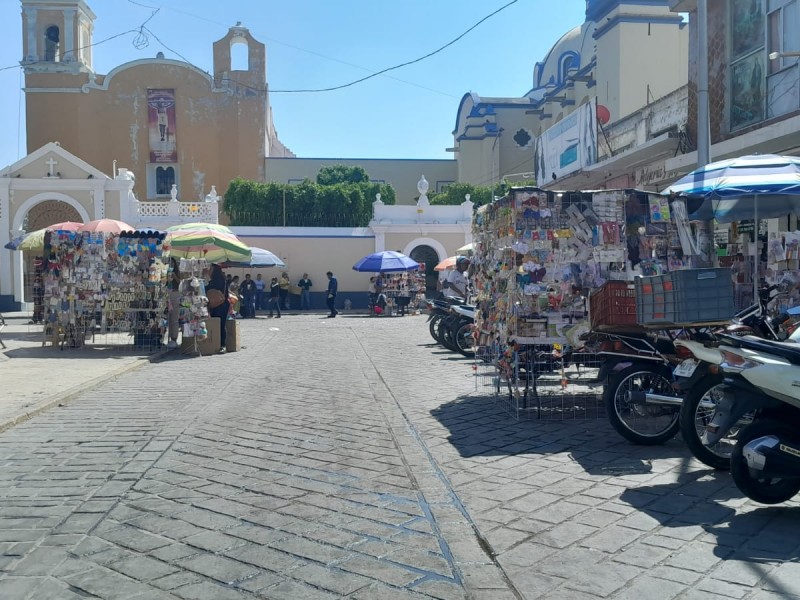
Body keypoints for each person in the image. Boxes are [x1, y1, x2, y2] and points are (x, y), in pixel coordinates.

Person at [206, 264, 229, 354]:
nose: (209, 270)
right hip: (214, 305)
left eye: (210, 269)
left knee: (221, 324)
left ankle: (223, 345)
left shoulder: (220, 280)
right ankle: (216, 343)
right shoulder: (212, 279)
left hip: (221, 305)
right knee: (215, 324)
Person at [167, 258, 182, 349]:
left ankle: (174, 338)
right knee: (167, 318)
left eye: (171, 263)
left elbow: (181, 283)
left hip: (175, 293)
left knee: (174, 317)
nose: (170, 265)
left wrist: (175, 277)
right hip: (166, 293)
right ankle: (167, 337)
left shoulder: (177, 272)